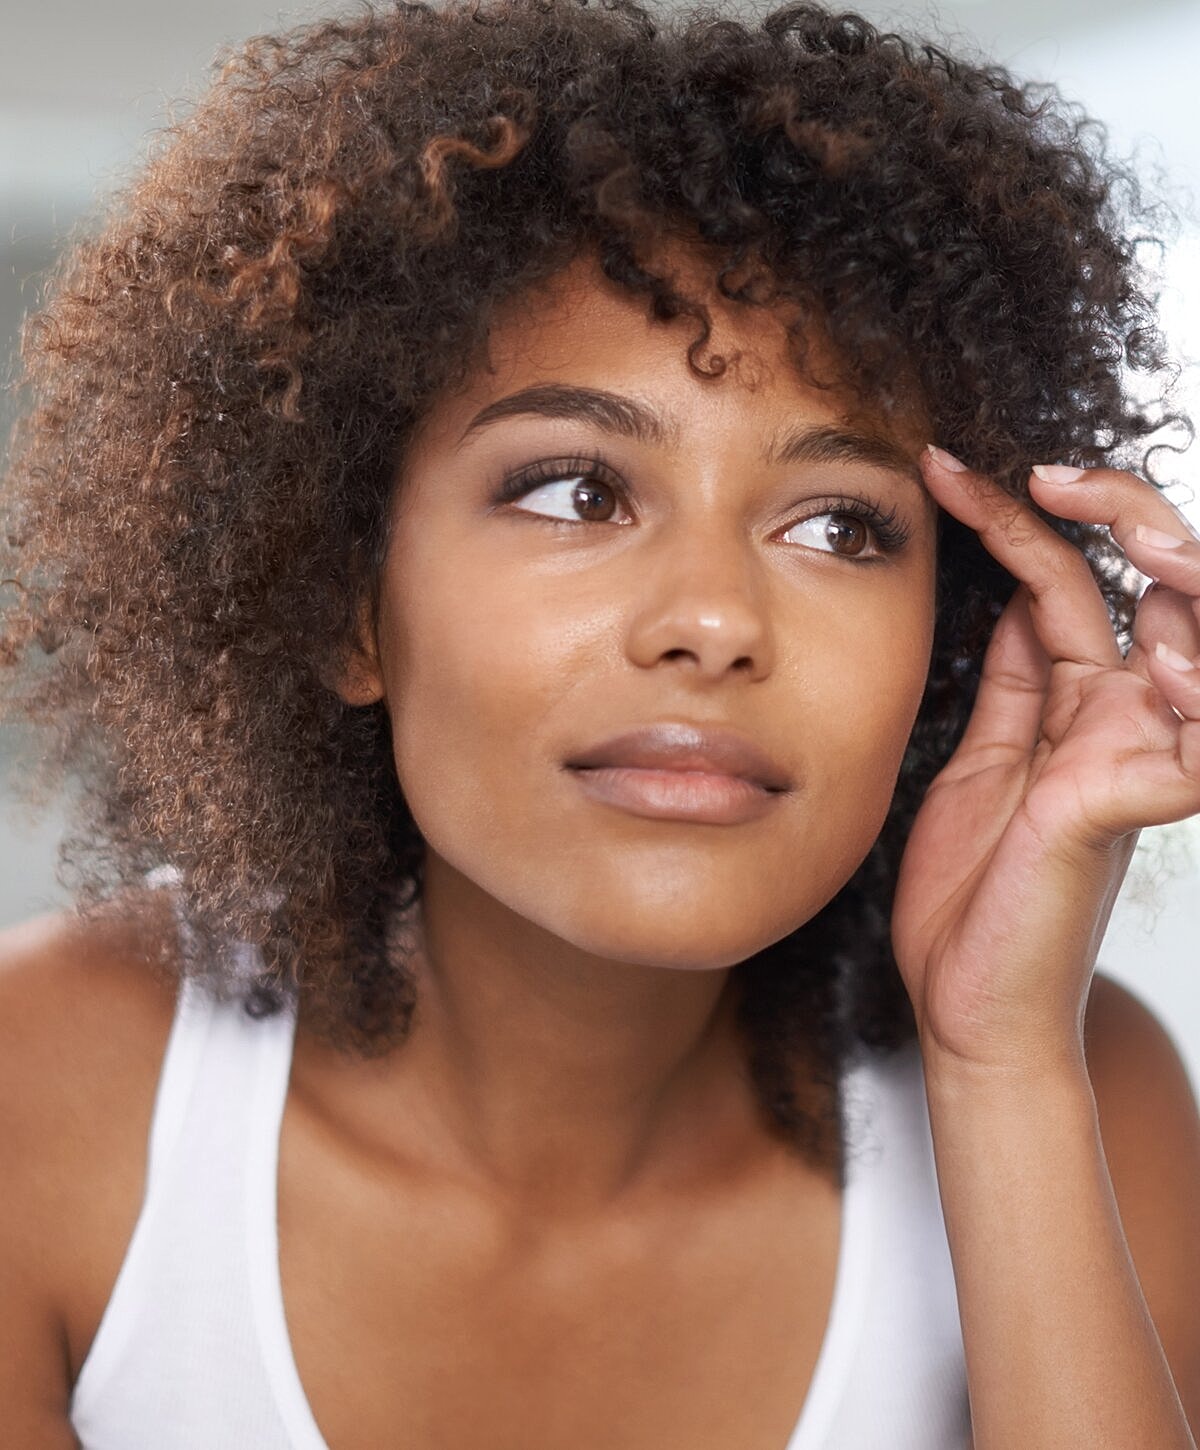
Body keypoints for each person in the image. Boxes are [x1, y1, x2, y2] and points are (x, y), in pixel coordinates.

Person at [1, 0, 1198, 1444]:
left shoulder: (1086, 1092)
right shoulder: (44, 1085)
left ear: (951, 636)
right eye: (577, 491)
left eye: (838, 525)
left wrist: (1000, 1069)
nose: (715, 619)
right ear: (345, 602)